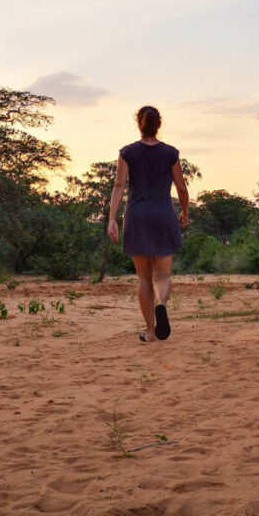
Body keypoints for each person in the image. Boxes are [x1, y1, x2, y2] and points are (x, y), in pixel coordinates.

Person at [108, 106, 189, 343]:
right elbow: (181, 187)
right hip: (163, 215)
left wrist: (112, 218)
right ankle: (161, 303)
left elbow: (119, 186)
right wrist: (185, 211)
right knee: (162, 275)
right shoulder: (170, 153)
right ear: (159, 125)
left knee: (143, 277)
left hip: (137, 216)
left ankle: (151, 332)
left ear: (139, 124)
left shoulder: (128, 152)